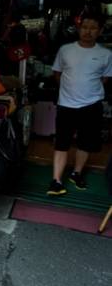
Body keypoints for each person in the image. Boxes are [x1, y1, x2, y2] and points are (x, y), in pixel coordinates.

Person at [47, 13, 112, 196]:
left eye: (93, 28)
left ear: (99, 31)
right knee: (61, 143)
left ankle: (76, 173)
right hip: (66, 104)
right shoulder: (65, 50)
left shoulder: (106, 54)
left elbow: (105, 79)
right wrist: (71, 90)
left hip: (91, 105)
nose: (88, 31)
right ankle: (56, 180)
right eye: (84, 27)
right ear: (78, 29)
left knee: (86, 143)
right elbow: (57, 74)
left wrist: (86, 91)